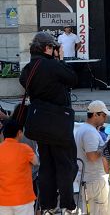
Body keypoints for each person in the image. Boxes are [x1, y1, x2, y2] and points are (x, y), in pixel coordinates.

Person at [19, 32, 78, 215]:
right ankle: (68, 206)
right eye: (53, 47)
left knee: (46, 165)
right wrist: (60, 59)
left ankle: (48, 206)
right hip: (58, 122)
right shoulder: (52, 65)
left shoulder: (28, 69)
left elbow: (25, 84)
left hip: (40, 123)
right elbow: (73, 79)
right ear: (47, 48)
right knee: (65, 165)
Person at [74, 101, 110, 215]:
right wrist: (106, 147)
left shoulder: (84, 129)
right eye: (103, 115)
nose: (105, 118)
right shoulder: (89, 132)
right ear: (95, 114)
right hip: (94, 180)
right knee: (100, 211)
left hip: (90, 179)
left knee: (91, 211)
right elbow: (92, 156)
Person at [0, 119, 39, 215]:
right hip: (23, 199)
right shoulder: (25, 148)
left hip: (3, 201)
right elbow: (36, 162)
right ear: (19, 132)